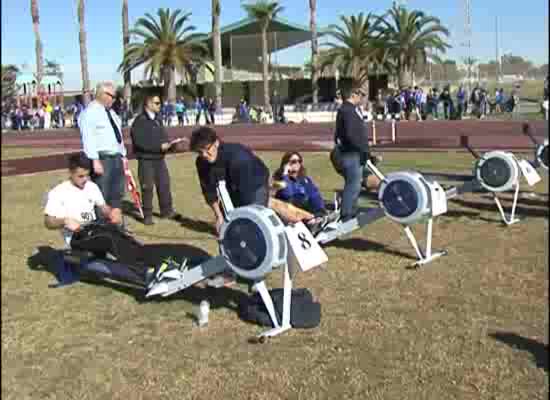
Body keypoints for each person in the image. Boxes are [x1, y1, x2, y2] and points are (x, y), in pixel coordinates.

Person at [189, 126, 270, 235]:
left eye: (207, 149)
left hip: (255, 183)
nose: (204, 155)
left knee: (254, 223)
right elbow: (209, 191)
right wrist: (219, 217)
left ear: (216, 143)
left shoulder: (238, 157)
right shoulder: (201, 162)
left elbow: (246, 196)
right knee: (229, 225)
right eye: (200, 152)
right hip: (231, 185)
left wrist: (244, 216)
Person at [130, 94, 185, 225]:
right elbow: (139, 142)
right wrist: (159, 146)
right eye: (157, 103)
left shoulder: (158, 119)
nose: (159, 105)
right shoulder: (139, 121)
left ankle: (167, 211)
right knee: (147, 187)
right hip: (146, 160)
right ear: (148, 104)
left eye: (159, 103)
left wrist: (171, 145)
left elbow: (163, 137)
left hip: (160, 159)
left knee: (164, 185)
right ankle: (147, 215)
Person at [79, 81, 126, 225]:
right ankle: (101, 227)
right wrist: (95, 160)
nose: (114, 99)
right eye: (112, 96)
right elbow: (88, 138)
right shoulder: (90, 113)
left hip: (116, 158)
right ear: (102, 94)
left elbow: (117, 137)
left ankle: (116, 225)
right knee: (102, 195)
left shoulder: (111, 113)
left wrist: (122, 156)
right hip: (103, 159)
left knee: (117, 194)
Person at [44, 152, 113, 247]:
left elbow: (103, 207)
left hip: (93, 232)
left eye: (87, 175)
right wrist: (65, 221)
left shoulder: (92, 187)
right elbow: (48, 222)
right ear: (71, 173)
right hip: (75, 240)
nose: (85, 180)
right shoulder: (58, 192)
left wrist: (110, 212)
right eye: (80, 176)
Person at [332, 87, 370, 223]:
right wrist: (363, 149)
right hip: (350, 153)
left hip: (353, 153)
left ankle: (351, 211)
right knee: (352, 184)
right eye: (361, 94)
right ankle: (347, 214)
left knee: (355, 184)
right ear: (353, 94)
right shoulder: (347, 110)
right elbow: (351, 135)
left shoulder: (349, 110)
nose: (363, 97)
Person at [272, 152, 326, 216]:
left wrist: (320, 212)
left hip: (308, 213)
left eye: (299, 161)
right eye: (294, 161)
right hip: (291, 214)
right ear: (286, 164)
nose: (297, 163)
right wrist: (285, 174)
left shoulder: (305, 180)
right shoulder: (280, 179)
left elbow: (315, 195)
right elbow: (287, 195)